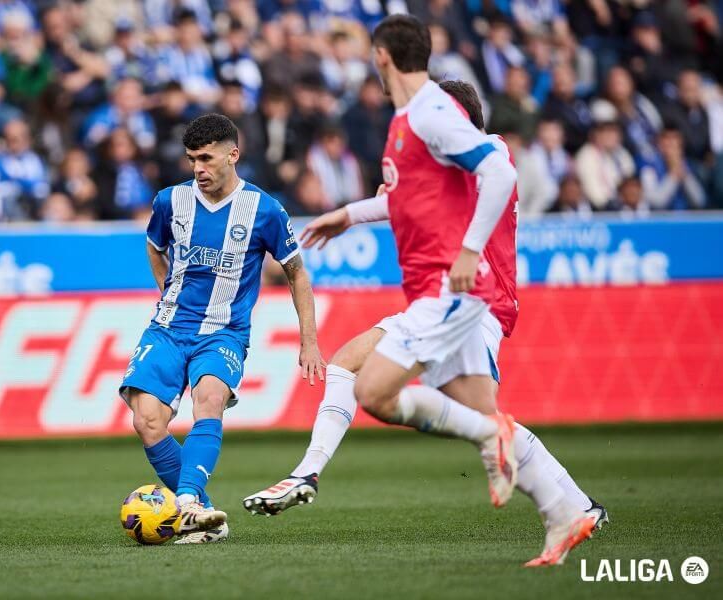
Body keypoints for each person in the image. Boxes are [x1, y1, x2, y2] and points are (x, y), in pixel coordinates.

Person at [245, 16, 595, 567]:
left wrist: (469, 250)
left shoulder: (438, 118)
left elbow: (498, 169)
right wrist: (350, 214)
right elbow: (409, 199)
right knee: (455, 402)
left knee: (382, 392)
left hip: (460, 291)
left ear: (382, 57)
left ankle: (508, 456)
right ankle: (568, 510)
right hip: (443, 291)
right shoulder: (409, 125)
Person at [118, 113, 324, 545]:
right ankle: (207, 513)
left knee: (208, 398)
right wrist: (165, 290)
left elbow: (297, 274)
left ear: (233, 155)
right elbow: (155, 247)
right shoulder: (169, 202)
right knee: (147, 422)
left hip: (224, 332)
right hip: (169, 328)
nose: (198, 168)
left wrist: (309, 342)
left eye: (207, 158)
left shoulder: (265, 210)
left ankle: (188, 502)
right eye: (192, 159)